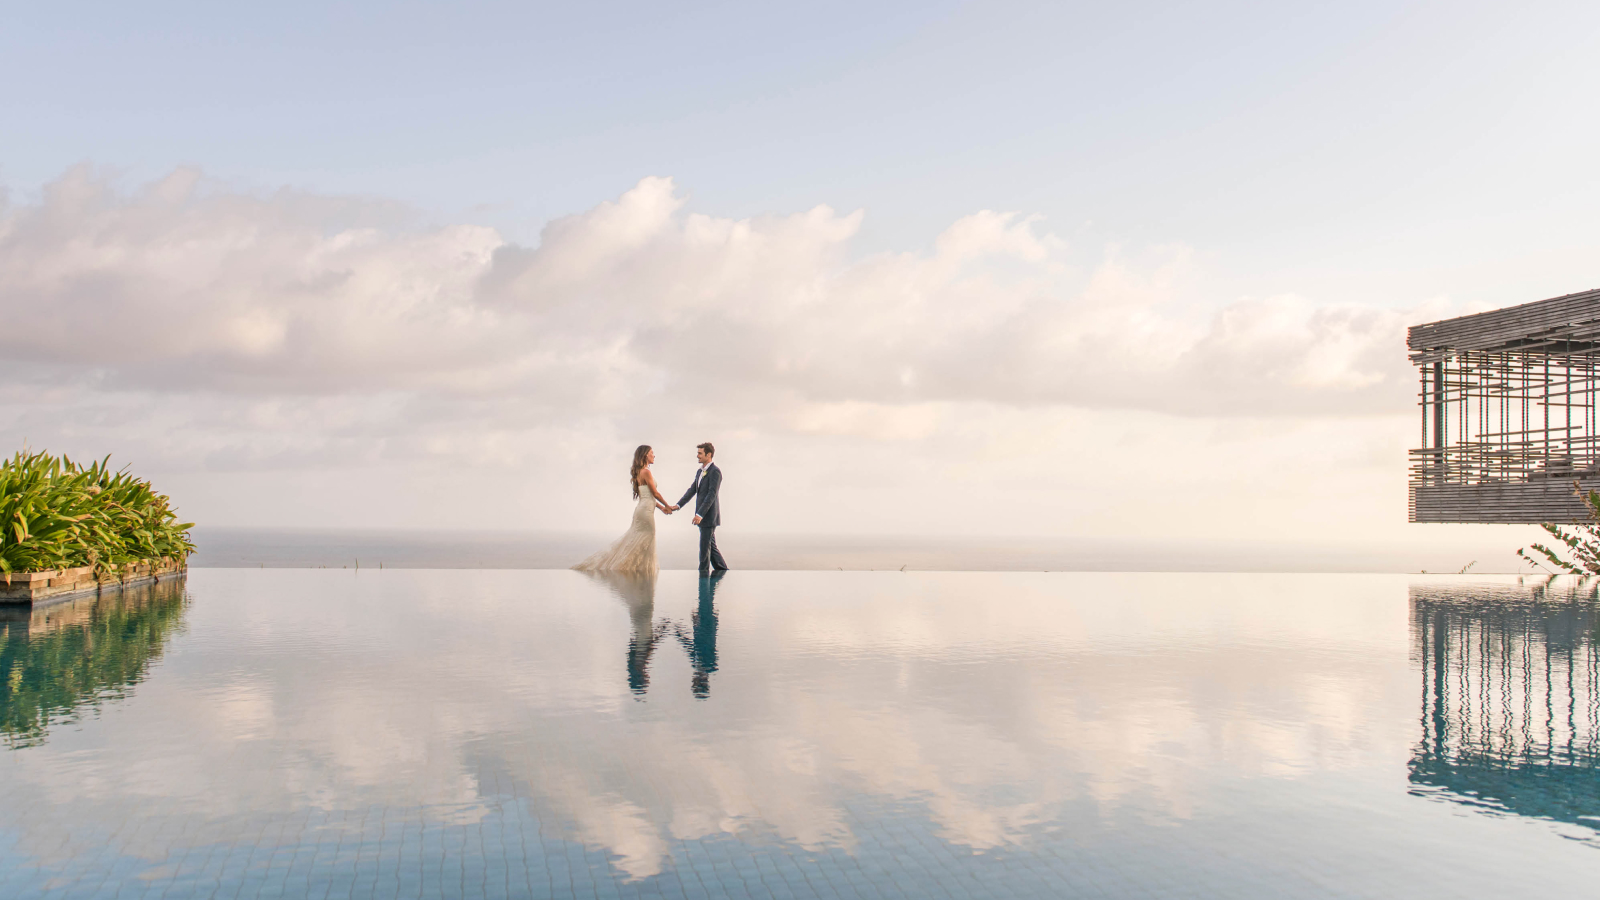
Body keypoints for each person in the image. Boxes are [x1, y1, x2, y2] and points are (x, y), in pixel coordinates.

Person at [573, 445, 674, 573]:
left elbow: (647, 496)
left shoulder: (639, 472)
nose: (654, 455)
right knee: (647, 540)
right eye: (652, 453)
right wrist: (667, 505)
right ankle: (639, 572)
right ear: (645, 455)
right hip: (645, 512)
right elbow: (655, 493)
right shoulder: (646, 472)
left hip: (642, 510)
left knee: (638, 541)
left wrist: (660, 508)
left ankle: (638, 572)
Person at [671, 442, 727, 575]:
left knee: (704, 552)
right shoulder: (699, 472)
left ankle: (702, 581)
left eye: (700, 453)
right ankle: (724, 572)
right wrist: (678, 505)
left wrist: (700, 514)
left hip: (708, 517)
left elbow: (711, 494)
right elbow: (692, 490)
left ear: (709, 454)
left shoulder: (715, 471)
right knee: (711, 549)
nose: (697, 456)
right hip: (703, 518)